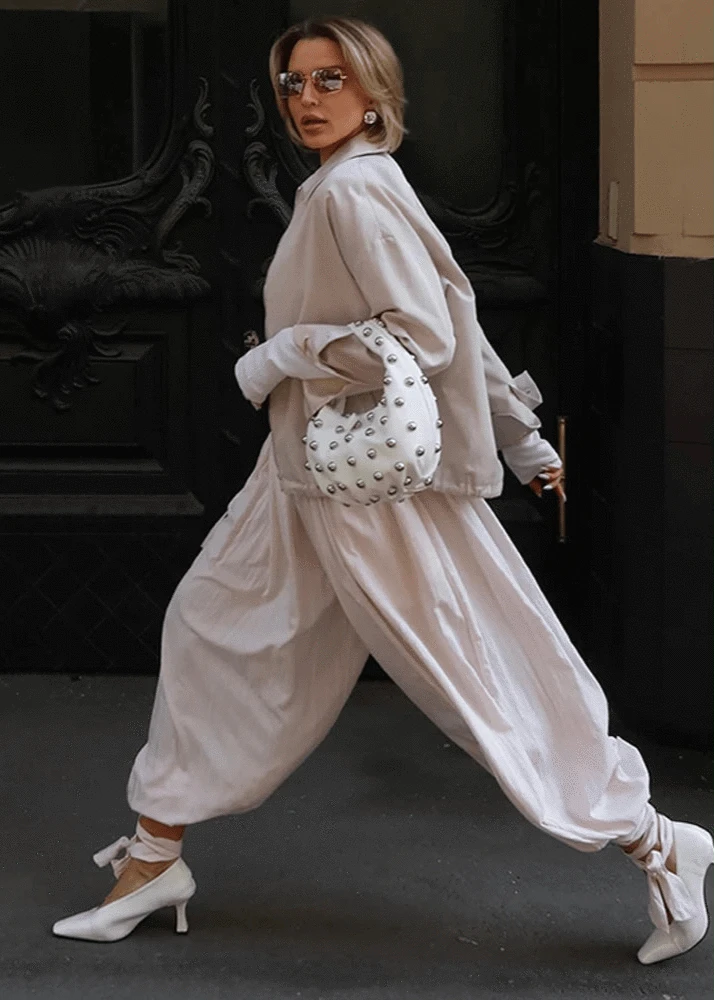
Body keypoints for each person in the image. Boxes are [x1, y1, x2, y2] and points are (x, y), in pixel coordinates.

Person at [53, 16, 713, 964]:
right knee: (208, 632)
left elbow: (422, 336)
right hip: (304, 481)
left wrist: (284, 354)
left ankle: (659, 844)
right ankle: (154, 857)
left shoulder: (353, 194)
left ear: (375, 94)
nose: (307, 100)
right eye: (292, 84)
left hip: (372, 493)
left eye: (329, 80)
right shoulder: (346, 186)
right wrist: (523, 440)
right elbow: (457, 312)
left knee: (479, 676)